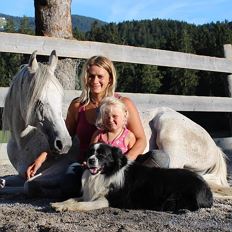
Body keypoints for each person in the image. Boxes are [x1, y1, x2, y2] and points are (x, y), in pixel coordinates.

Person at [26, 55, 147, 179]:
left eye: (100, 76)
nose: (95, 81)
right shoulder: (77, 106)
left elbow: (141, 139)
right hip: (88, 167)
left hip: (119, 167)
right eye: (91, 76)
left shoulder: (123, 104)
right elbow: (63, 138)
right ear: (85, 78)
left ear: (110, 79)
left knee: (159, 158)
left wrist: (124, 162)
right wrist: (41, 159)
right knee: (68, 181)